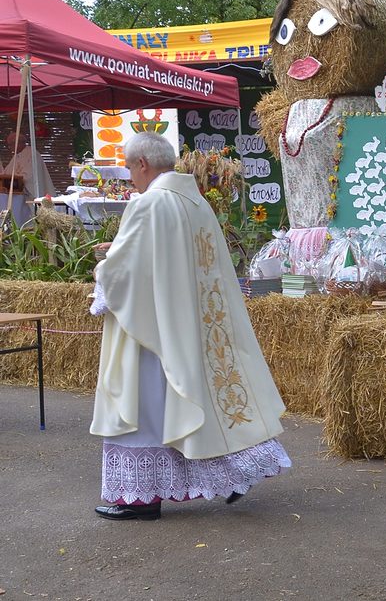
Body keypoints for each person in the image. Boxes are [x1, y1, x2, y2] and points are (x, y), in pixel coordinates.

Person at [88, 131, 290, 520]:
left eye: (130, 168)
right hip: (192, 322)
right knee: (193, 405)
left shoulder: (149, 204)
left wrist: (103, 267)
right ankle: (234, 475)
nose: (130, 176)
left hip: (150, 330)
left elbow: (123, 271)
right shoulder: (196, 202)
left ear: (142, 164)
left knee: (144, 405)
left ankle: (141, 499)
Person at [3, 132, 57, 225]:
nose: (10, 148)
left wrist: (15, 179)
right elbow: (7, 173)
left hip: (29, 194)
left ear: (19, 143)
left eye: (10, 145)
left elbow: (29, 177)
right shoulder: (17, 155)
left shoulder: (32, 154)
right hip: (17, 193)